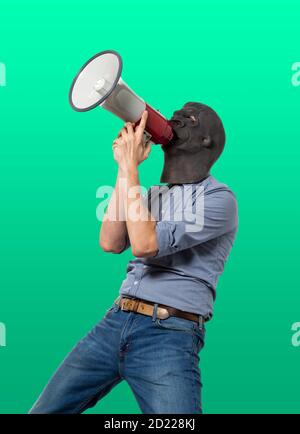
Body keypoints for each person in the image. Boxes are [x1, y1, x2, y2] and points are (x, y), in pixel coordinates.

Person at [29, 102, 238, 414]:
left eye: (189, 118)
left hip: (169, 333)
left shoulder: (220, 199)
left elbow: (145, 245)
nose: (176, 118)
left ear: (207, 140)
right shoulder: (155, 194)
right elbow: (111, 242)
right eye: (176, 114)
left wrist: (131, 168)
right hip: (115, 321)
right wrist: (122, 168)